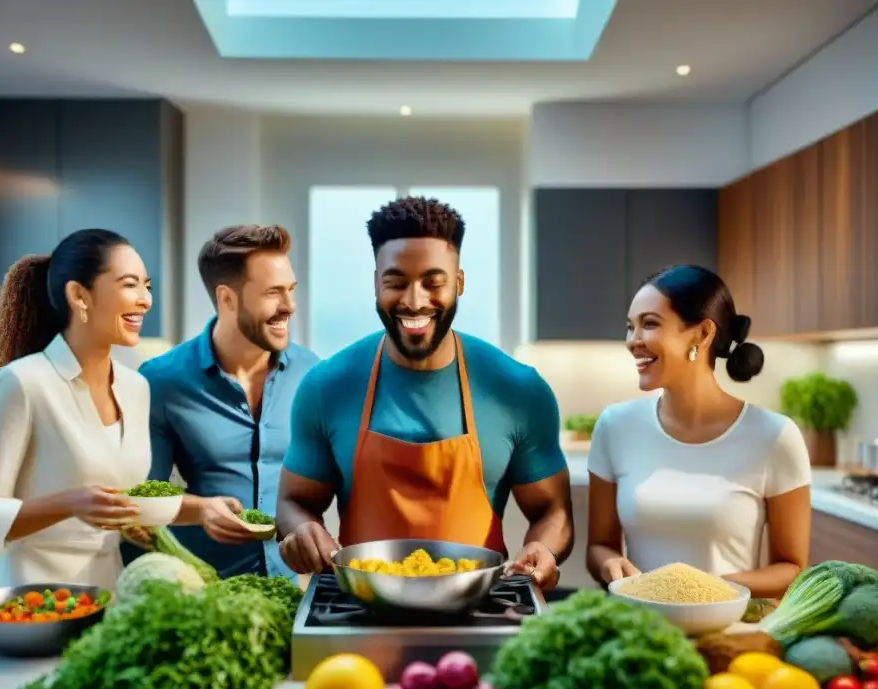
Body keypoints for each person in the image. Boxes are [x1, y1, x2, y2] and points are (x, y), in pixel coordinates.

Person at [276, 196, 573, 591]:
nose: (415, 301)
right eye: (396, 282)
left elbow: (552, 510)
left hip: (479, 605)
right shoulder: (325, 385)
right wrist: (303, 530)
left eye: (434, 283)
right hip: (363, 605)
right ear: (375, 283)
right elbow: (293, 502)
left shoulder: (518, 389)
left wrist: (544, 548)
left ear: (460, 282)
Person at [0, 229, 236, 591]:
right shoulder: (22, 383)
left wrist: (203, 509)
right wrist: (70, 503)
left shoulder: (135, 387)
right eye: (129, 285)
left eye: (147, 286)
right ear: (79, 295)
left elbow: (127, 500)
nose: (145, 300)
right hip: (29, 597)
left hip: (107, 593)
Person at [586, 265, 812, 599]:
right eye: (630, 327)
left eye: (649, 324)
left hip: (727, 630)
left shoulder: (775, 436)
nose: (633, 341)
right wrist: (610, 566)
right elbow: (599, 547)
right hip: (638, 628)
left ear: (702, 333)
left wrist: (707, 591)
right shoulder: (614, 426)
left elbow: (792, 568)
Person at [132, 225, 320, 579]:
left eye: (291, 290)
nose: (290, 306)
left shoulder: (311, 373)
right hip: (205, 589)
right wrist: (200, 509)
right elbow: (141, 502)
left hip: (292, 587)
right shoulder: (162, 380)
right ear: (227, 299)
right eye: (273, 293)